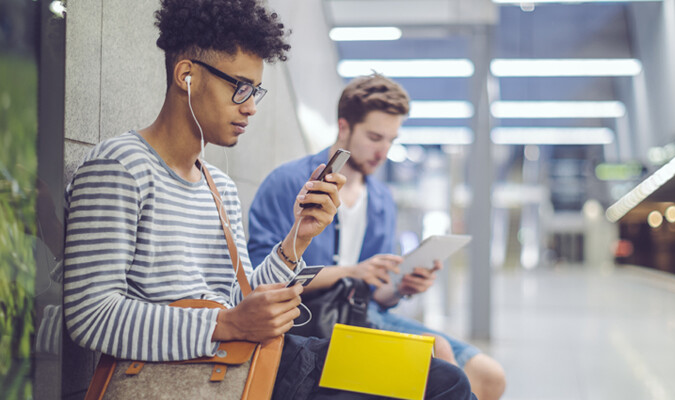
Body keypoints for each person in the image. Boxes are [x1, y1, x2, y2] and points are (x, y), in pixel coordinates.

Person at [62, 1, 474, 399]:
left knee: (438, 374)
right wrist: (226, 324)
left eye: (255, 91)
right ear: (186, 75)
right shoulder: (119, 166)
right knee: (441, 383)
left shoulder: (218, 185)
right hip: (196, 369)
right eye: (240, 88)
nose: (251, 108)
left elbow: (241, 300)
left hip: (257, 359)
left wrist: (298, 239)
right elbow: (90, 316)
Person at [248, 74, 507, 400]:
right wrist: (350, 272)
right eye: (374, 137)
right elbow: (260, 279)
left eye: (391, 140)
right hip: (311, 323)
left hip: (365, 314)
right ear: (344, 127)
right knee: (438, 354)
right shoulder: (289, 183)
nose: (383, 151)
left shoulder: (382, 199)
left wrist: (401, 285)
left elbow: (375, 293)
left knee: (489, 376)